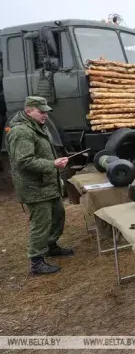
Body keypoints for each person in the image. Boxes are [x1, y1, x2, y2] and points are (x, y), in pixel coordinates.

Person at [6, 96, 73, 275]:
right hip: (34, 188)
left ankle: (50, 246)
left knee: (58, 214)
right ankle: (36, 262)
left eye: (46, 111)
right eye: (41, 112)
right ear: (29, 111)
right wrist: (52, 164)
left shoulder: (39, 127)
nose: (45, 115)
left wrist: (55, 165)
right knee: (41, 223)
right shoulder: (21, 131)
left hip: (47, 184)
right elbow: (24, 161)